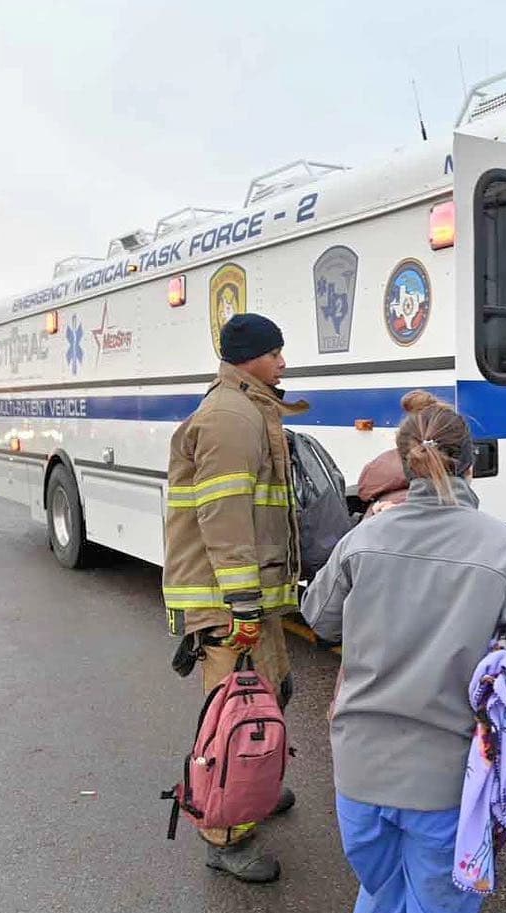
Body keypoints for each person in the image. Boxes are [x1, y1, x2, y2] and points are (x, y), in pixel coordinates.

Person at [302, 396, 506, 913]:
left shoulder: (364, 538)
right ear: (470, 465)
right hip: (449, 783)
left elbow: (318, 616)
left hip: (359, 775)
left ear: (405, 465)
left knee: (383, 902)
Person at [162, 312, 308, 883]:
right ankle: (225, 837)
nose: (283, 362)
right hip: (229, 602)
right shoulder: (229, 418)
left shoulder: (247, 408)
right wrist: (243, 603)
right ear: (250, 358)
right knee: (236, 721)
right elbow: (223, 518)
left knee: (268, 697)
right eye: (275, 353)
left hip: (245, 598)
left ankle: (256, 789)